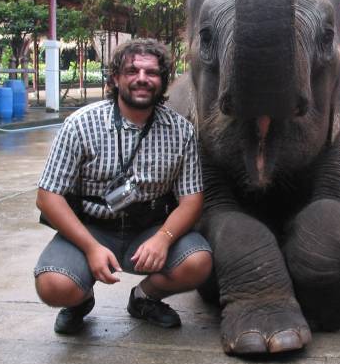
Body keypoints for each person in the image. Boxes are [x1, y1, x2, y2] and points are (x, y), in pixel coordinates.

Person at [34, 38, 213, 334]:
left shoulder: (181, 131)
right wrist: (91, 247)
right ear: (116, 78)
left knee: (198, 262)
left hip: (149, 228)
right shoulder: (80, 124)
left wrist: (164, 238)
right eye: (132, 71)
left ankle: (144, 298)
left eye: (152, 72)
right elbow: (48, 197)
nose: (142, 78)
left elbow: (192, 200)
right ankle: (79, 300)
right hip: (91, 227)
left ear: (163, 81)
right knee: (54, 285)